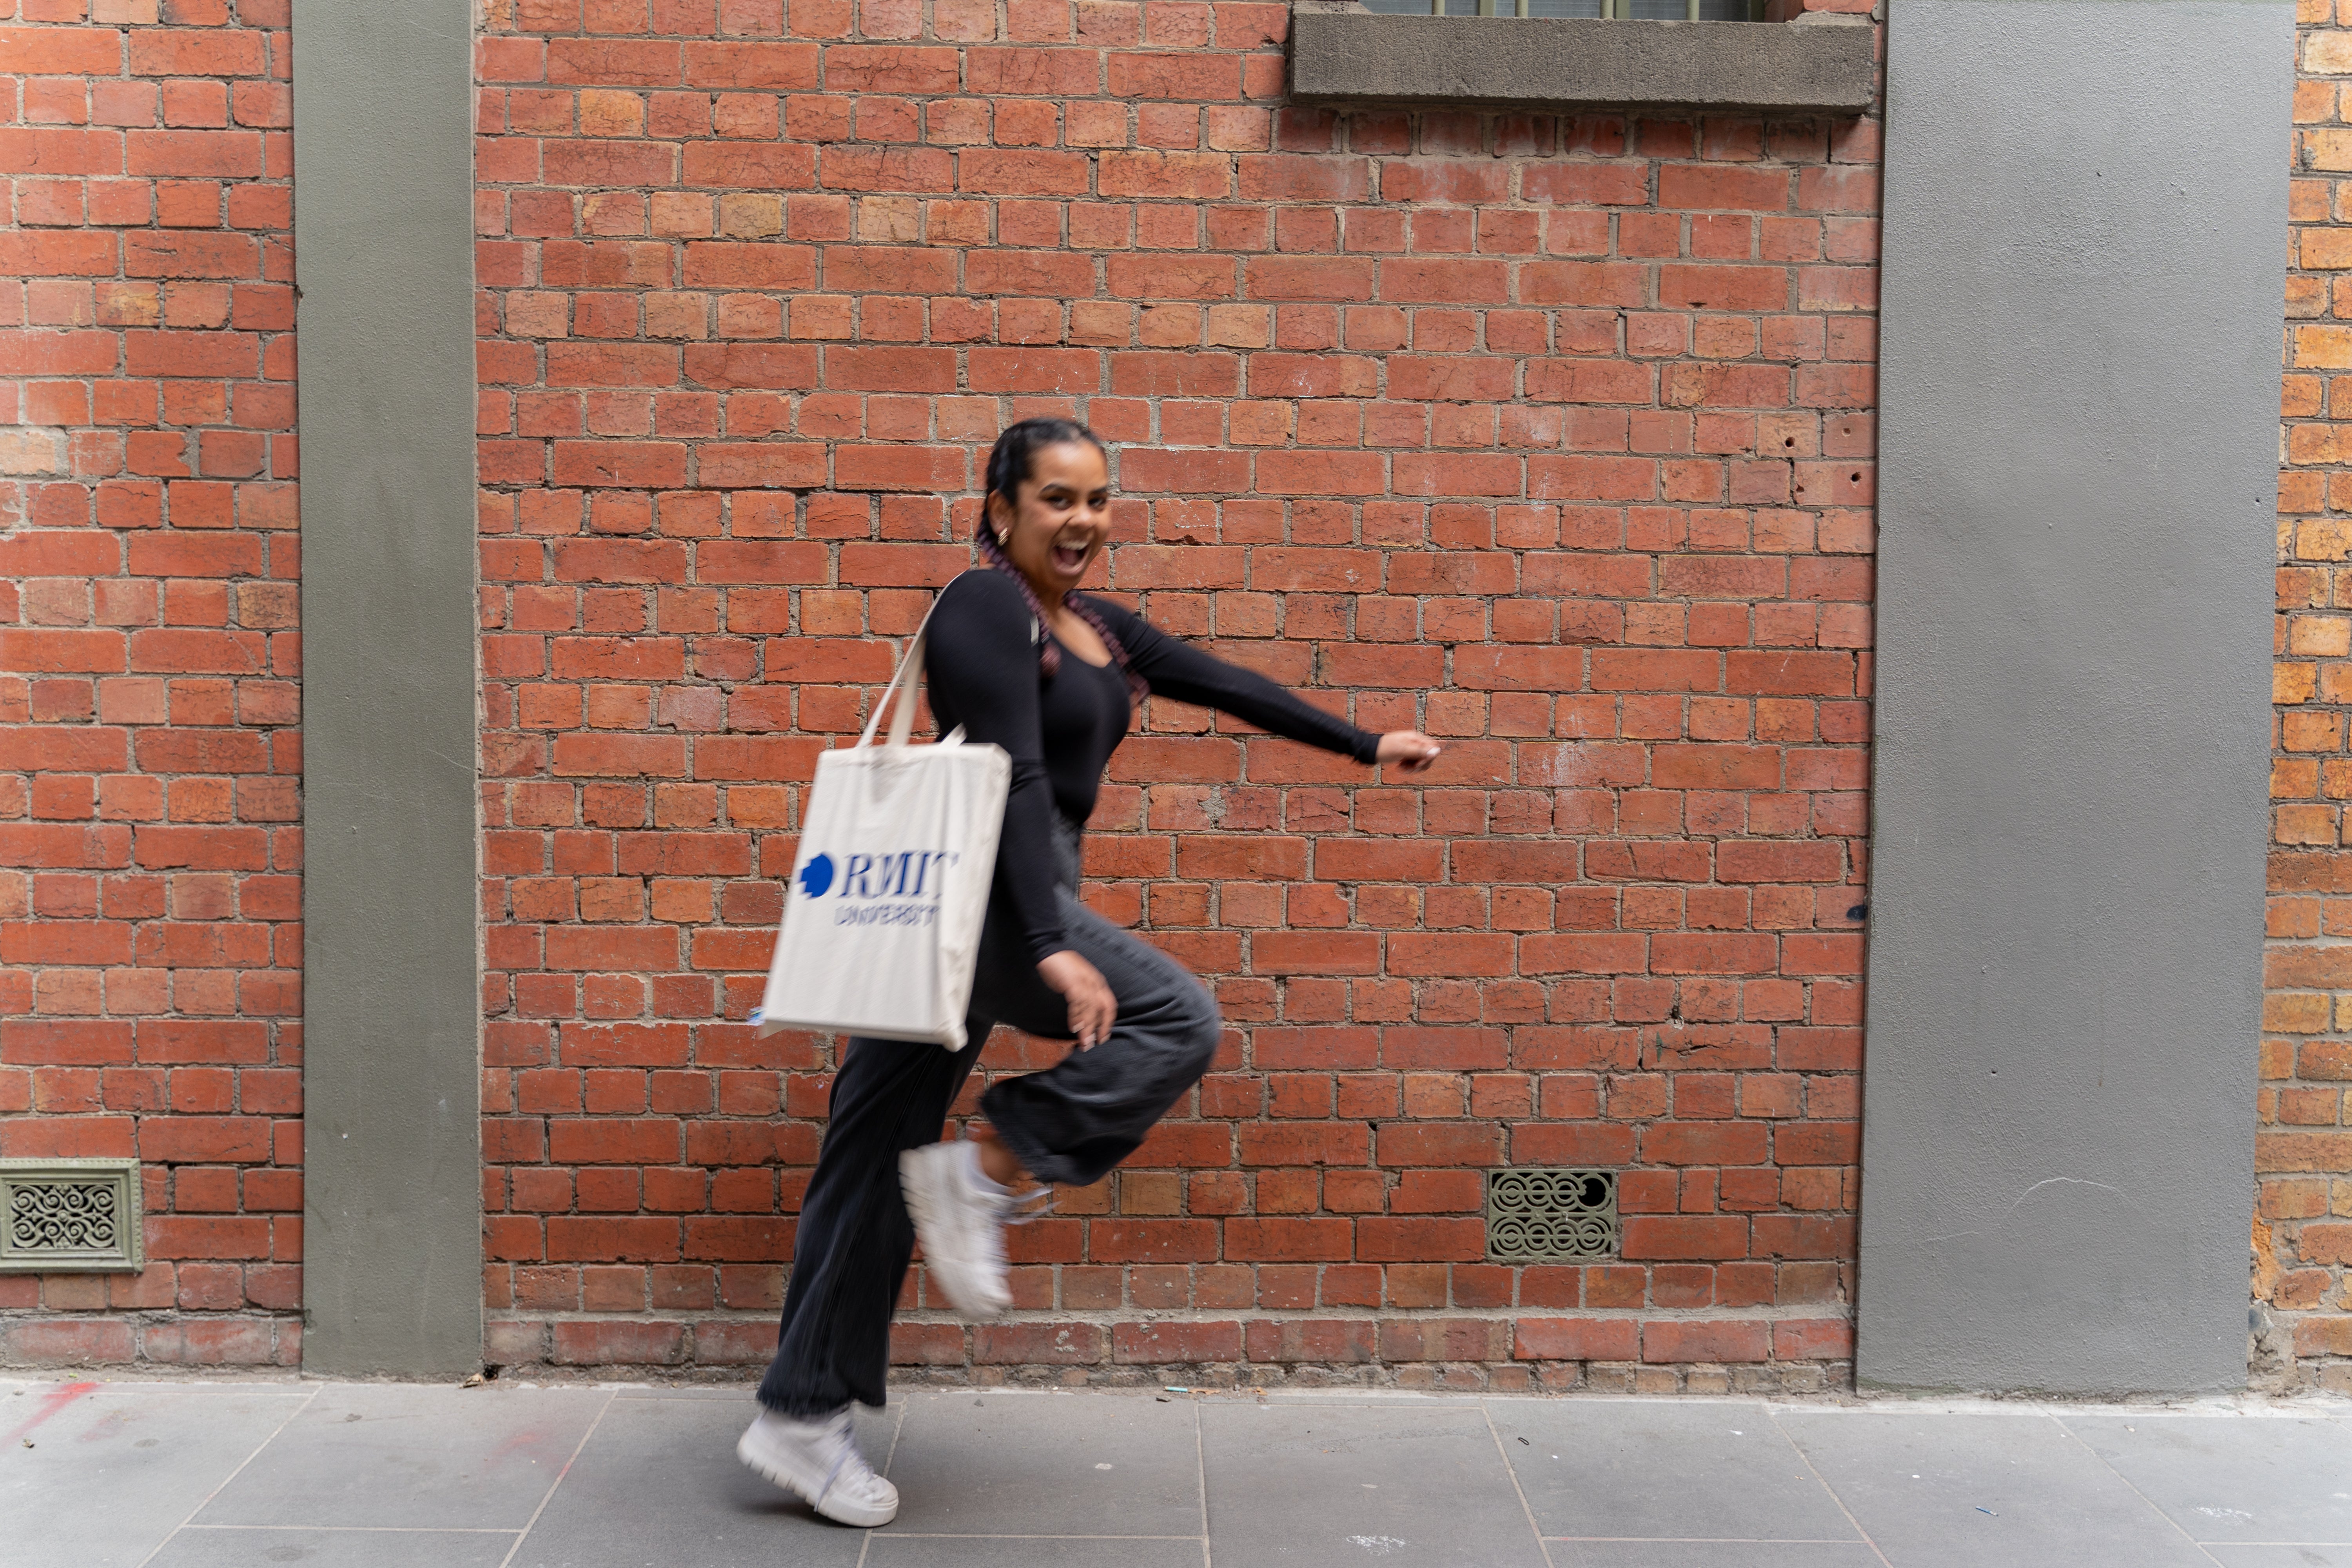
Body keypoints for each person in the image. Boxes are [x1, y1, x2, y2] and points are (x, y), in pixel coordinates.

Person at [736, 417, 1442, 1526]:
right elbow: (1012, 771)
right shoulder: (981, 607)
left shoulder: (1097, 626)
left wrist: (1360, 741)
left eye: (1099, 500)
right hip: (987, 896)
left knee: (870, 1158)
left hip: (983, 906)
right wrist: (1047, 942)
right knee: (1176, 1020)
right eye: (1058, 500)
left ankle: (800, 1414)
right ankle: (994, 1159)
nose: (1084, 521)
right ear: (1004, 506)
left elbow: (1218, 681)